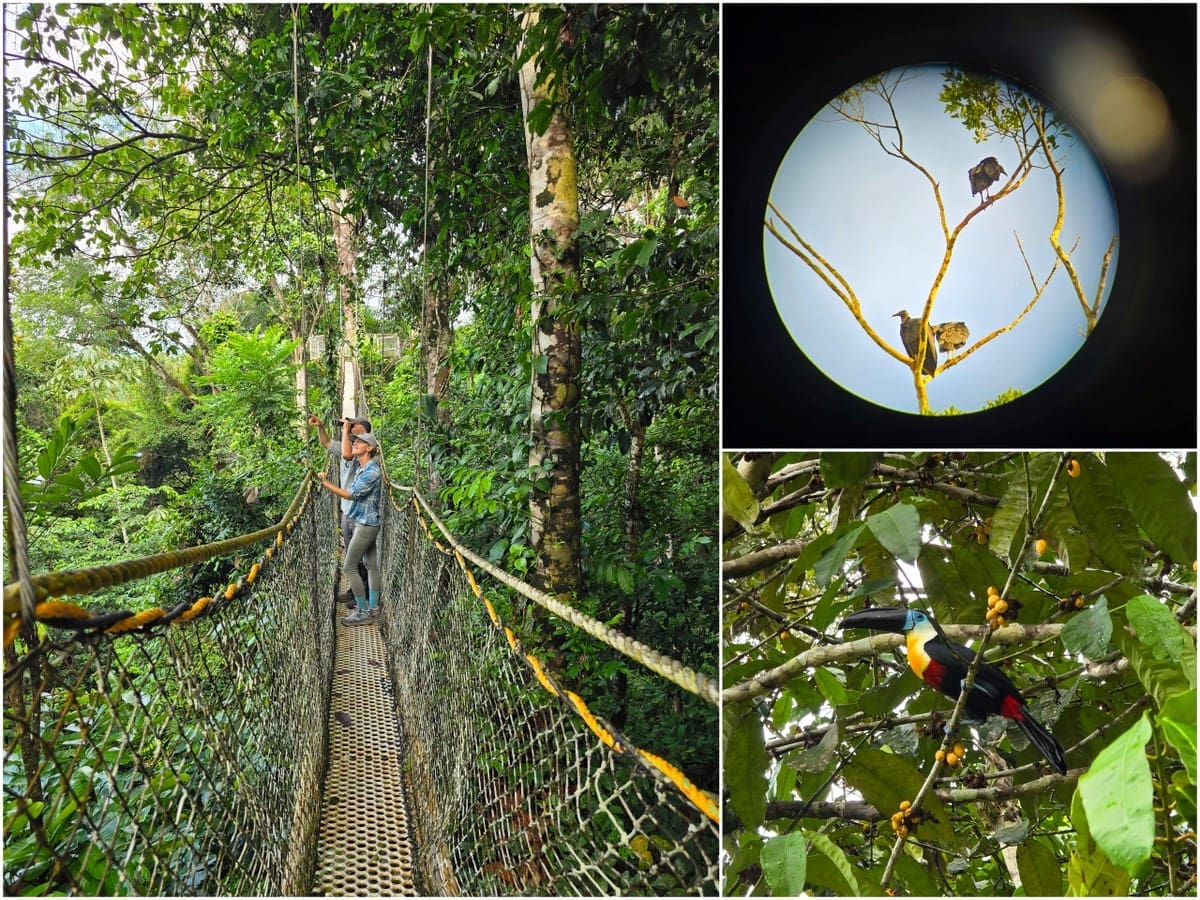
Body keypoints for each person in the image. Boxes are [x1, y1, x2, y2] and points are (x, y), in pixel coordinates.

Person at [319, 431, 383, 626]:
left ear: (369, 448)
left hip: (365, 525)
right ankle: (373, 607)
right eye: (354, 441)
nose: (354, 443)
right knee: (371, 565)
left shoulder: (372, 471)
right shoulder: (363, 469)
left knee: (349, 566)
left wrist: (326, 483)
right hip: (366, 521)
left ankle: (363, 611)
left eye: (359, 442)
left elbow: (351, 495)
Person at [308, 414, 372, 604]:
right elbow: (327, 443)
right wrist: (320, 427)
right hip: (347, 510)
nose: (349, 426)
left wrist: (345, 431)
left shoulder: (361, 449)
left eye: (354, 425)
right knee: (353, 557)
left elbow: (346, 454)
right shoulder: (350, 444)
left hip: (360, 512)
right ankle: (356, 592)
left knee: (359, 557)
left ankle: (364, 596)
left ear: (363, 430)